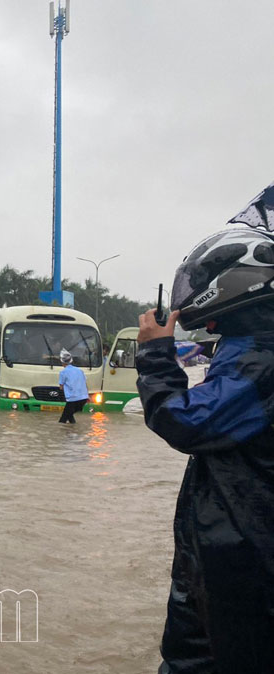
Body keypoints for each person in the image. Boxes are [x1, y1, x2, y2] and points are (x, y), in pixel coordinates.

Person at [136, 227, 274, 673]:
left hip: (242, 557)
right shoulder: (246, 347)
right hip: (223, 547)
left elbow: (184, 421)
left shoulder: (260, 358)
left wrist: (156, 354)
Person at [57, 349, 88, 423]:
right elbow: (84, 382)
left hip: (72, 400)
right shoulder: (80, 370)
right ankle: (73, 431)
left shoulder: (63, 372)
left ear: (62, 362)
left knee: (62, 420)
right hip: (84, 399)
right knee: (70, 416)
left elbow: (61, 387)